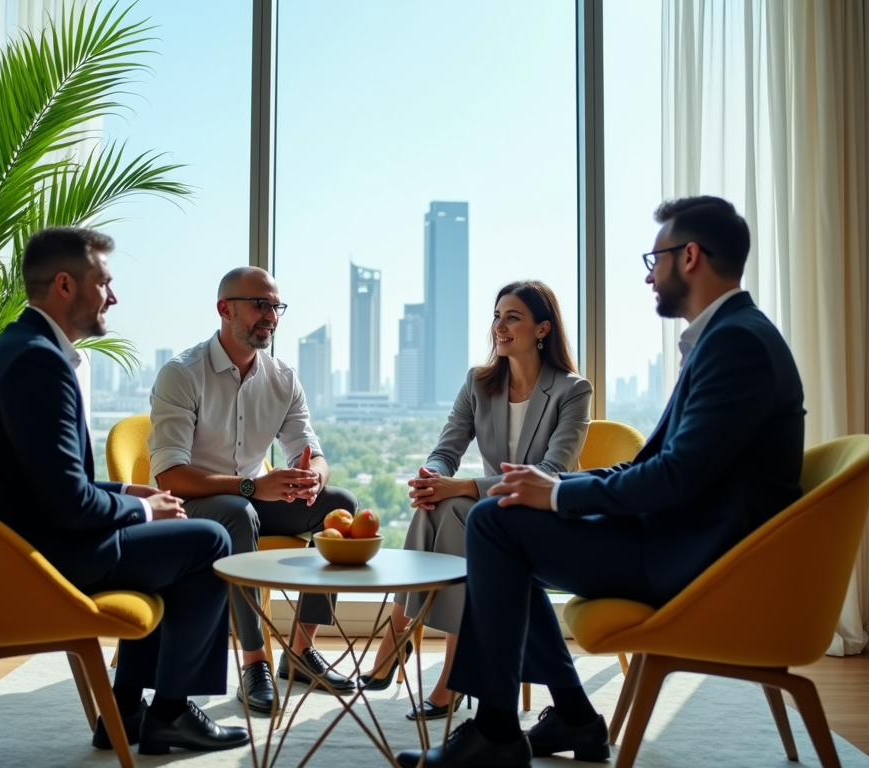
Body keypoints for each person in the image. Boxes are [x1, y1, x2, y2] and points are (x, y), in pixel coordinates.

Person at [395, 196, 805, 768]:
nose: (648, 273)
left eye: (654, 258)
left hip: (697, 562)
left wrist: (560, 492)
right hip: (680, 539)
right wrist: (550, 491)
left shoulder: (736, 344)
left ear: (689, 257)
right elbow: (659, 466)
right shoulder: (728, 337)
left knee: (497, 523)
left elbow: (676, 476)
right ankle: (572, 719)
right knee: (507, 522)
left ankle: (497, 730)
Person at [0, 228, 249, 756]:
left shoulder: (22, 349)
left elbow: (40, 479)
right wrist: (142, 508)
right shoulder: (38, 363)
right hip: (37, 559)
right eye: (104, 283)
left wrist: (125, 490)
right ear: (65, 285)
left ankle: (125, 711)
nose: (114, 296)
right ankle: (169, 712)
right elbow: (68, 503)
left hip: (22, 543)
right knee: (209, 541)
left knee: (175, 539)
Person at [361, 281, 592, 722]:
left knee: (459, 508)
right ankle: (445, 670)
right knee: (439, 505)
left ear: (542, 328)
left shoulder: (571, 390)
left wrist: (464, 487)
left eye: (512, 317)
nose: (499, 327)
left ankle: (398, 633)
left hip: (546, 519)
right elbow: (447, 449)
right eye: (496, 315)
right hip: (491, 517)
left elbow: (550, 472)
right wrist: (434, 475)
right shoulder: (479, 382)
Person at [148, 266, 359, 714]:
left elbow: (310, 449)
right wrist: (252, 486)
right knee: (238, 512)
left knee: (339, 505)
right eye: (259, 305)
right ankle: (254, 661)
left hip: (254, 496)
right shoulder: (182, 374)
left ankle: (300, 653)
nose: (271, 316)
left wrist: (314, 475)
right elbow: (169, 475)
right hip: (196, 502)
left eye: (276, 306)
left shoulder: (283, 378)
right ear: (225, 309)